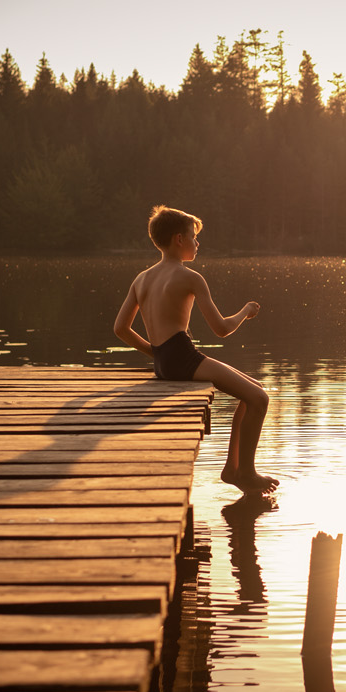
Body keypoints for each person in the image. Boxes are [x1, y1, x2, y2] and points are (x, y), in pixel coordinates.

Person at [114, 205, 277, 493]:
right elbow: (222, 328)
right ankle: (247, 473)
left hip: (166, 362)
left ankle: (234, 468)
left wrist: (155, 352)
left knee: (253, 390)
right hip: (182, 359)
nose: (197, 243)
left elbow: (120, 329)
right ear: (179, 239)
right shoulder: (190, 277)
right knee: (260, 399)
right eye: (193, 237)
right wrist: (245, 312)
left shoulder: (141, 279)